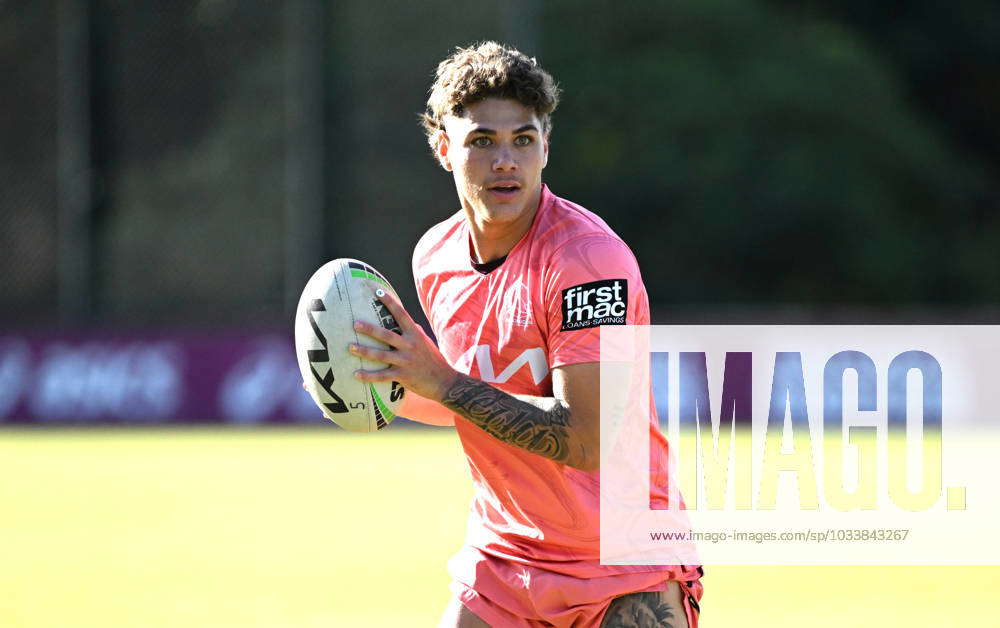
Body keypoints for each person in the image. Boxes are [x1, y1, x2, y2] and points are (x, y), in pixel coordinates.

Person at [348, 41, 703, 627]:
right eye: (482, 141)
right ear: (444, 148)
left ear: (546, 146)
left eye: (524, 139)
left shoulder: (587, 261)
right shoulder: (434, 256)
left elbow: (585, 440)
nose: (505, 161)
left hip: (622, 568)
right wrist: (376, 380)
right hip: (503, 560)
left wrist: (442, 382)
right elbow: (471, 396)